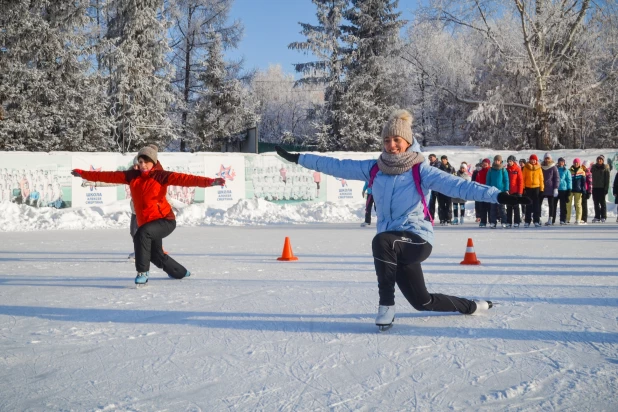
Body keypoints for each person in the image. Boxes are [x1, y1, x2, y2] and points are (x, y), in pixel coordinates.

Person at [274, 109, 530, 330]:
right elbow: (336, 165)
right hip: (393, 245)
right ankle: (473, 305)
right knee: (422, 302)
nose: (392, 145)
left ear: (407, 141)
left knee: (382, 241)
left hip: (417, 238)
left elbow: (459, 186)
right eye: (387, 140)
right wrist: (298, 158)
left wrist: (499, 196)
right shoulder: (374, 168)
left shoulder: (421, 169)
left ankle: (386, 305)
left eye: (397, 140)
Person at [71, 144, 225, 285]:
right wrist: (84, 174)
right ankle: (180, 272)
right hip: (147, 222)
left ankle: (142, 271)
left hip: (165, 220)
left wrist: (211, 182)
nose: (143, 165)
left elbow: (187, 179)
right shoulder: (132, 176)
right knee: (155, 254)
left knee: (141, 234)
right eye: (140, 161)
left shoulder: (161, 176)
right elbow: (108, 176)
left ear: (154, 161)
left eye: (146, 161)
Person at [486, 155, 509, 228]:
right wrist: (487, 189)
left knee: (501, 208)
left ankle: (504, 222)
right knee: (493, 208)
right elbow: (488, 180)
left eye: (498, 160)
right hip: (492, 191)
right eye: (495, 160)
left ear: (500, 161)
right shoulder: (490, 170)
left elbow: (506, 180)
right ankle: (493, 222)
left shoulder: (503, 170)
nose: (496, 162)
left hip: (501, 191)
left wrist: (506, 189)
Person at [522, 154, 544, 227]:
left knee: (536, 205)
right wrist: (523, 188)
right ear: (530, 160)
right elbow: (523, 178)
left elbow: (541, 179)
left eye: (534, 160)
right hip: (528, 188)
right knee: (528, 205)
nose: (533, 161)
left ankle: (536, 220)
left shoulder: (539, 168)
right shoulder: (526, 167)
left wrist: (541, 189)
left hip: (536, 188)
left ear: (536, 160)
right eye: (532, 159)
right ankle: (527, 221)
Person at [540, 153, 560, 226]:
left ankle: (550, 218)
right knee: (539, 204)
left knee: (551, 204)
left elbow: (557, 178)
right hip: (542, 188)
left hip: (551, 188)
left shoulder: (553, 167)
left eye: (548, 158)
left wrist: (556, 188)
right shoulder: (541, 167)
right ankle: (539, 218)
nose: (547, 160)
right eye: (546, 158)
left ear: (550, 159)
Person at [437, 155, 456, 225]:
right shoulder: (438, 168)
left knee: (448, 205)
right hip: (440, 189)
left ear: (447, 160)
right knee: (441, 205)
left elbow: (454, 178)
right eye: (442, 160)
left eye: (444, 159)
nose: (443, 161)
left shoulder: (451, 168)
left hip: (449, 189)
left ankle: (448, 219)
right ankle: (442, 219)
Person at [591, 155, 610, 223]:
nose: (599, 160)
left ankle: (603, 216)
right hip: (595, 187)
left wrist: (606, 188)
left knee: (602, 203)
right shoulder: (593, 167)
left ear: (603, 161)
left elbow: (607, 179)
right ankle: (597, 216)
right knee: (596, 203)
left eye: (600, 159)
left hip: (602, 188)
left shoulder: (605, 168)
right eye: (598, 159)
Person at [506, 155, 523, 228]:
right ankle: (509, 222)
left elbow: (520, 181)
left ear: (513, 161)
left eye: (511, 161)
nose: (509, 163)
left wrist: (520, 192)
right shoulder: (506, 170)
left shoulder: (517, 169)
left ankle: (517, 221)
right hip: (508, 191)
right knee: (509, 207)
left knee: (516, 207)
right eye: (508, 161)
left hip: (516, 191)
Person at [567, 158, 586, 224]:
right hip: (571, 190)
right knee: (568, 204)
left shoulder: (582, 171)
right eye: (575, 162)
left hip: (578, 190)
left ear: (579, 163)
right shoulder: (569, 171)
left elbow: (583, 182)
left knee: (578, 205)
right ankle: (567, 219)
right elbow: (567, 180)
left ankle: (578, 219)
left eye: (577, 162)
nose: (576, 164)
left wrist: (583, 190)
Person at [475, 158, 491, 227]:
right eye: (483, 163)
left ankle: (491, 221)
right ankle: (483, 221)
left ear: (488, 164)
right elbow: (477, 181)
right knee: (482, 207)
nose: (484, 165)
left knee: (490, 207)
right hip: (481, 191)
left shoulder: (491, 171)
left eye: (486, 163)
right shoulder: (480, 172)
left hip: (489, 191)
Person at [556, 157, 572, 225]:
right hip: (556, 189)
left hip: (563, 189)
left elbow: (569, 180)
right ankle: (552, 219)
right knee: (553, 205)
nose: (561, 163)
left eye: (562, 162)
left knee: (563, 205)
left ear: (564, 162)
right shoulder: (555, 169)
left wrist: (569, 189)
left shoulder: (566, 170)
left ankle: (563, 219)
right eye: (560, 162)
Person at [427, 153, 440, 220]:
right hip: (431, 186)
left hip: (438, 186)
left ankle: (442, 218)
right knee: (431, 202)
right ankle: (431, 217)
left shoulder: (439, 164)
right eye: (429, 158)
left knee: (440, 202)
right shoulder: (430, 165)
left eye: (431, 157)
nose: (430, 159)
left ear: (435, 157)